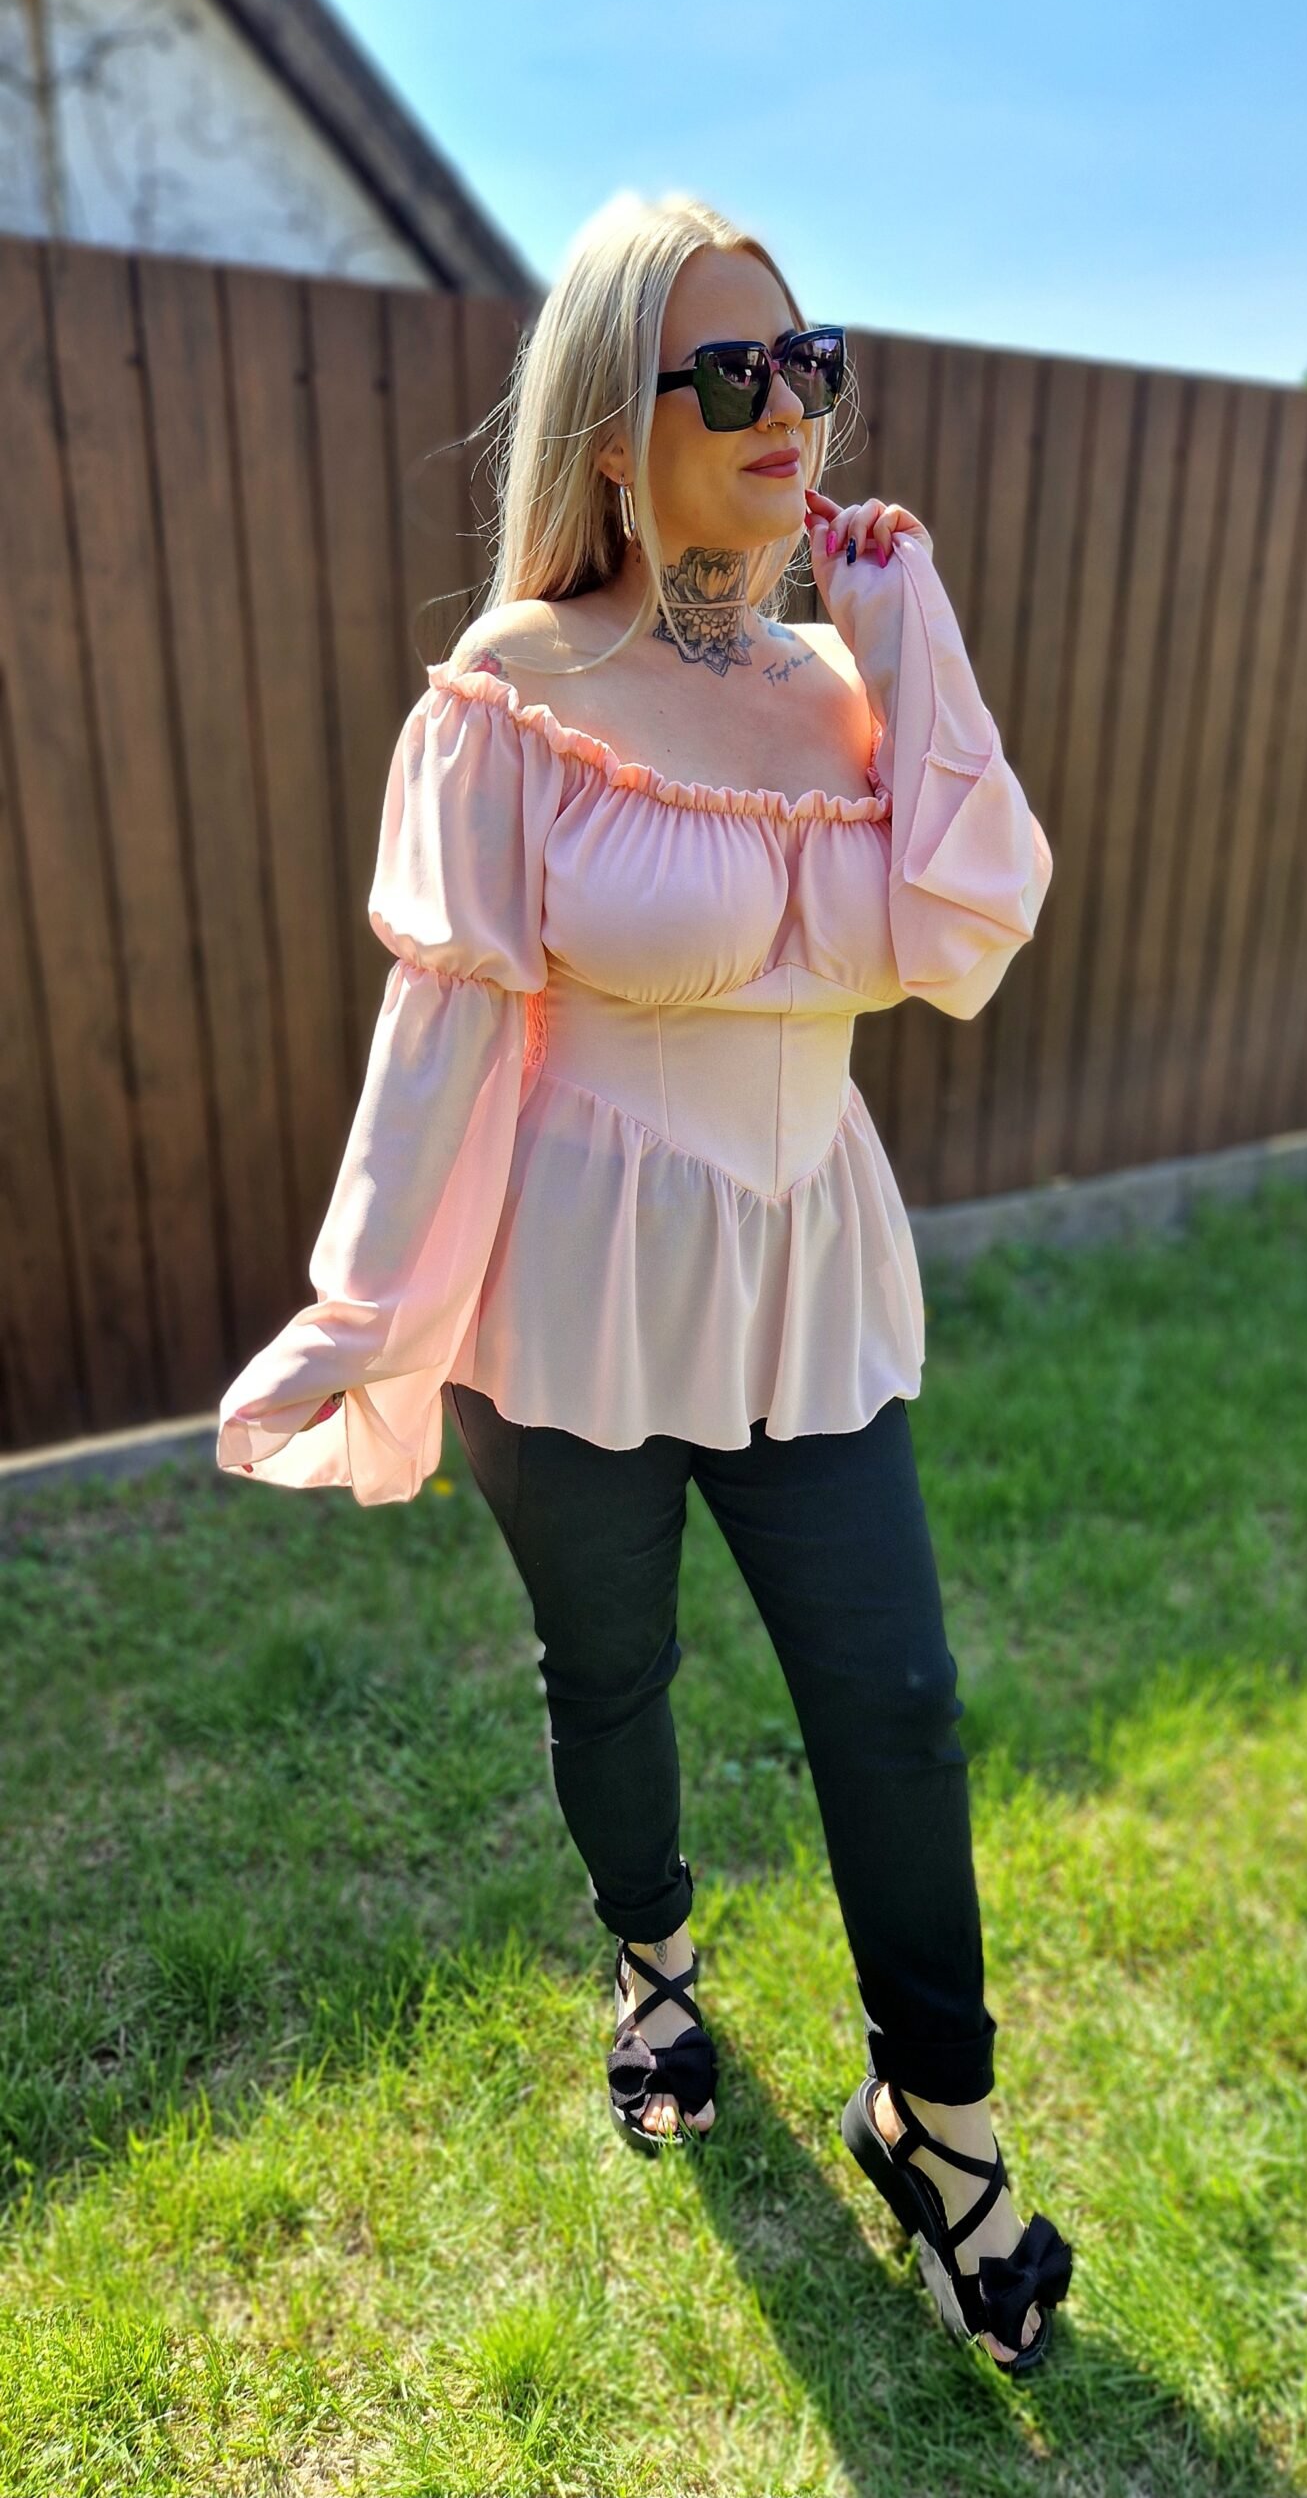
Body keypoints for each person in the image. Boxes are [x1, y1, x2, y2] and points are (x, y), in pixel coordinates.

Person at [216, 191, 1072, 2375]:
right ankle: (656, 1960)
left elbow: (967, 928)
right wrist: (361, 1311)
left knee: (897, 1704)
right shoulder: (510, 694)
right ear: (614, 429)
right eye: (733, 372)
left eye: (811, 362)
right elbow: (439, 1037)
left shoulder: (846, 685)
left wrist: (916, 629)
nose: (789, 407)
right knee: (609, 1679)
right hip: (572, 1298)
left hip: (805, 1280)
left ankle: (940, 2118)